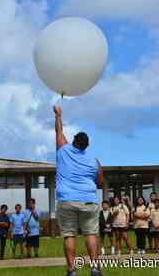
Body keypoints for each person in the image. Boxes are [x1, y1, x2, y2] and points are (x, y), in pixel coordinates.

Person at [54, 104, 104, 276]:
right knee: (91, 234)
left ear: (73, 140)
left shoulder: (63, 150)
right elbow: (100, 182)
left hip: (67, 200)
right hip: (89, 200)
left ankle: (72, 270)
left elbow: (59, 133)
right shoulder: (93, 161)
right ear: (86, 146)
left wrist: (58, 115)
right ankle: (95, 268)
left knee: (69, 235)